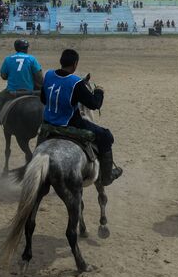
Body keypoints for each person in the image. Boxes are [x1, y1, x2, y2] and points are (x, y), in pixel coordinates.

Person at [41, 49, 122, 186]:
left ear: (61, 61)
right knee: (106, 136)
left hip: (48, 122)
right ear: (75, 64)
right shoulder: (76, 82)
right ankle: (107, 177)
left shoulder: (48, 75)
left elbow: (43, 99)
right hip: (70, 123)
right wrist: (99, 92)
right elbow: (94, 104)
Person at [0, 39, 43, 125]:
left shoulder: (8, 59)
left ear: (16, 48)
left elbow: (3, 76)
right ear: (26, 49)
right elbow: (39, 78)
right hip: (30, 91)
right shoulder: (32, 59)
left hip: (12, 91)